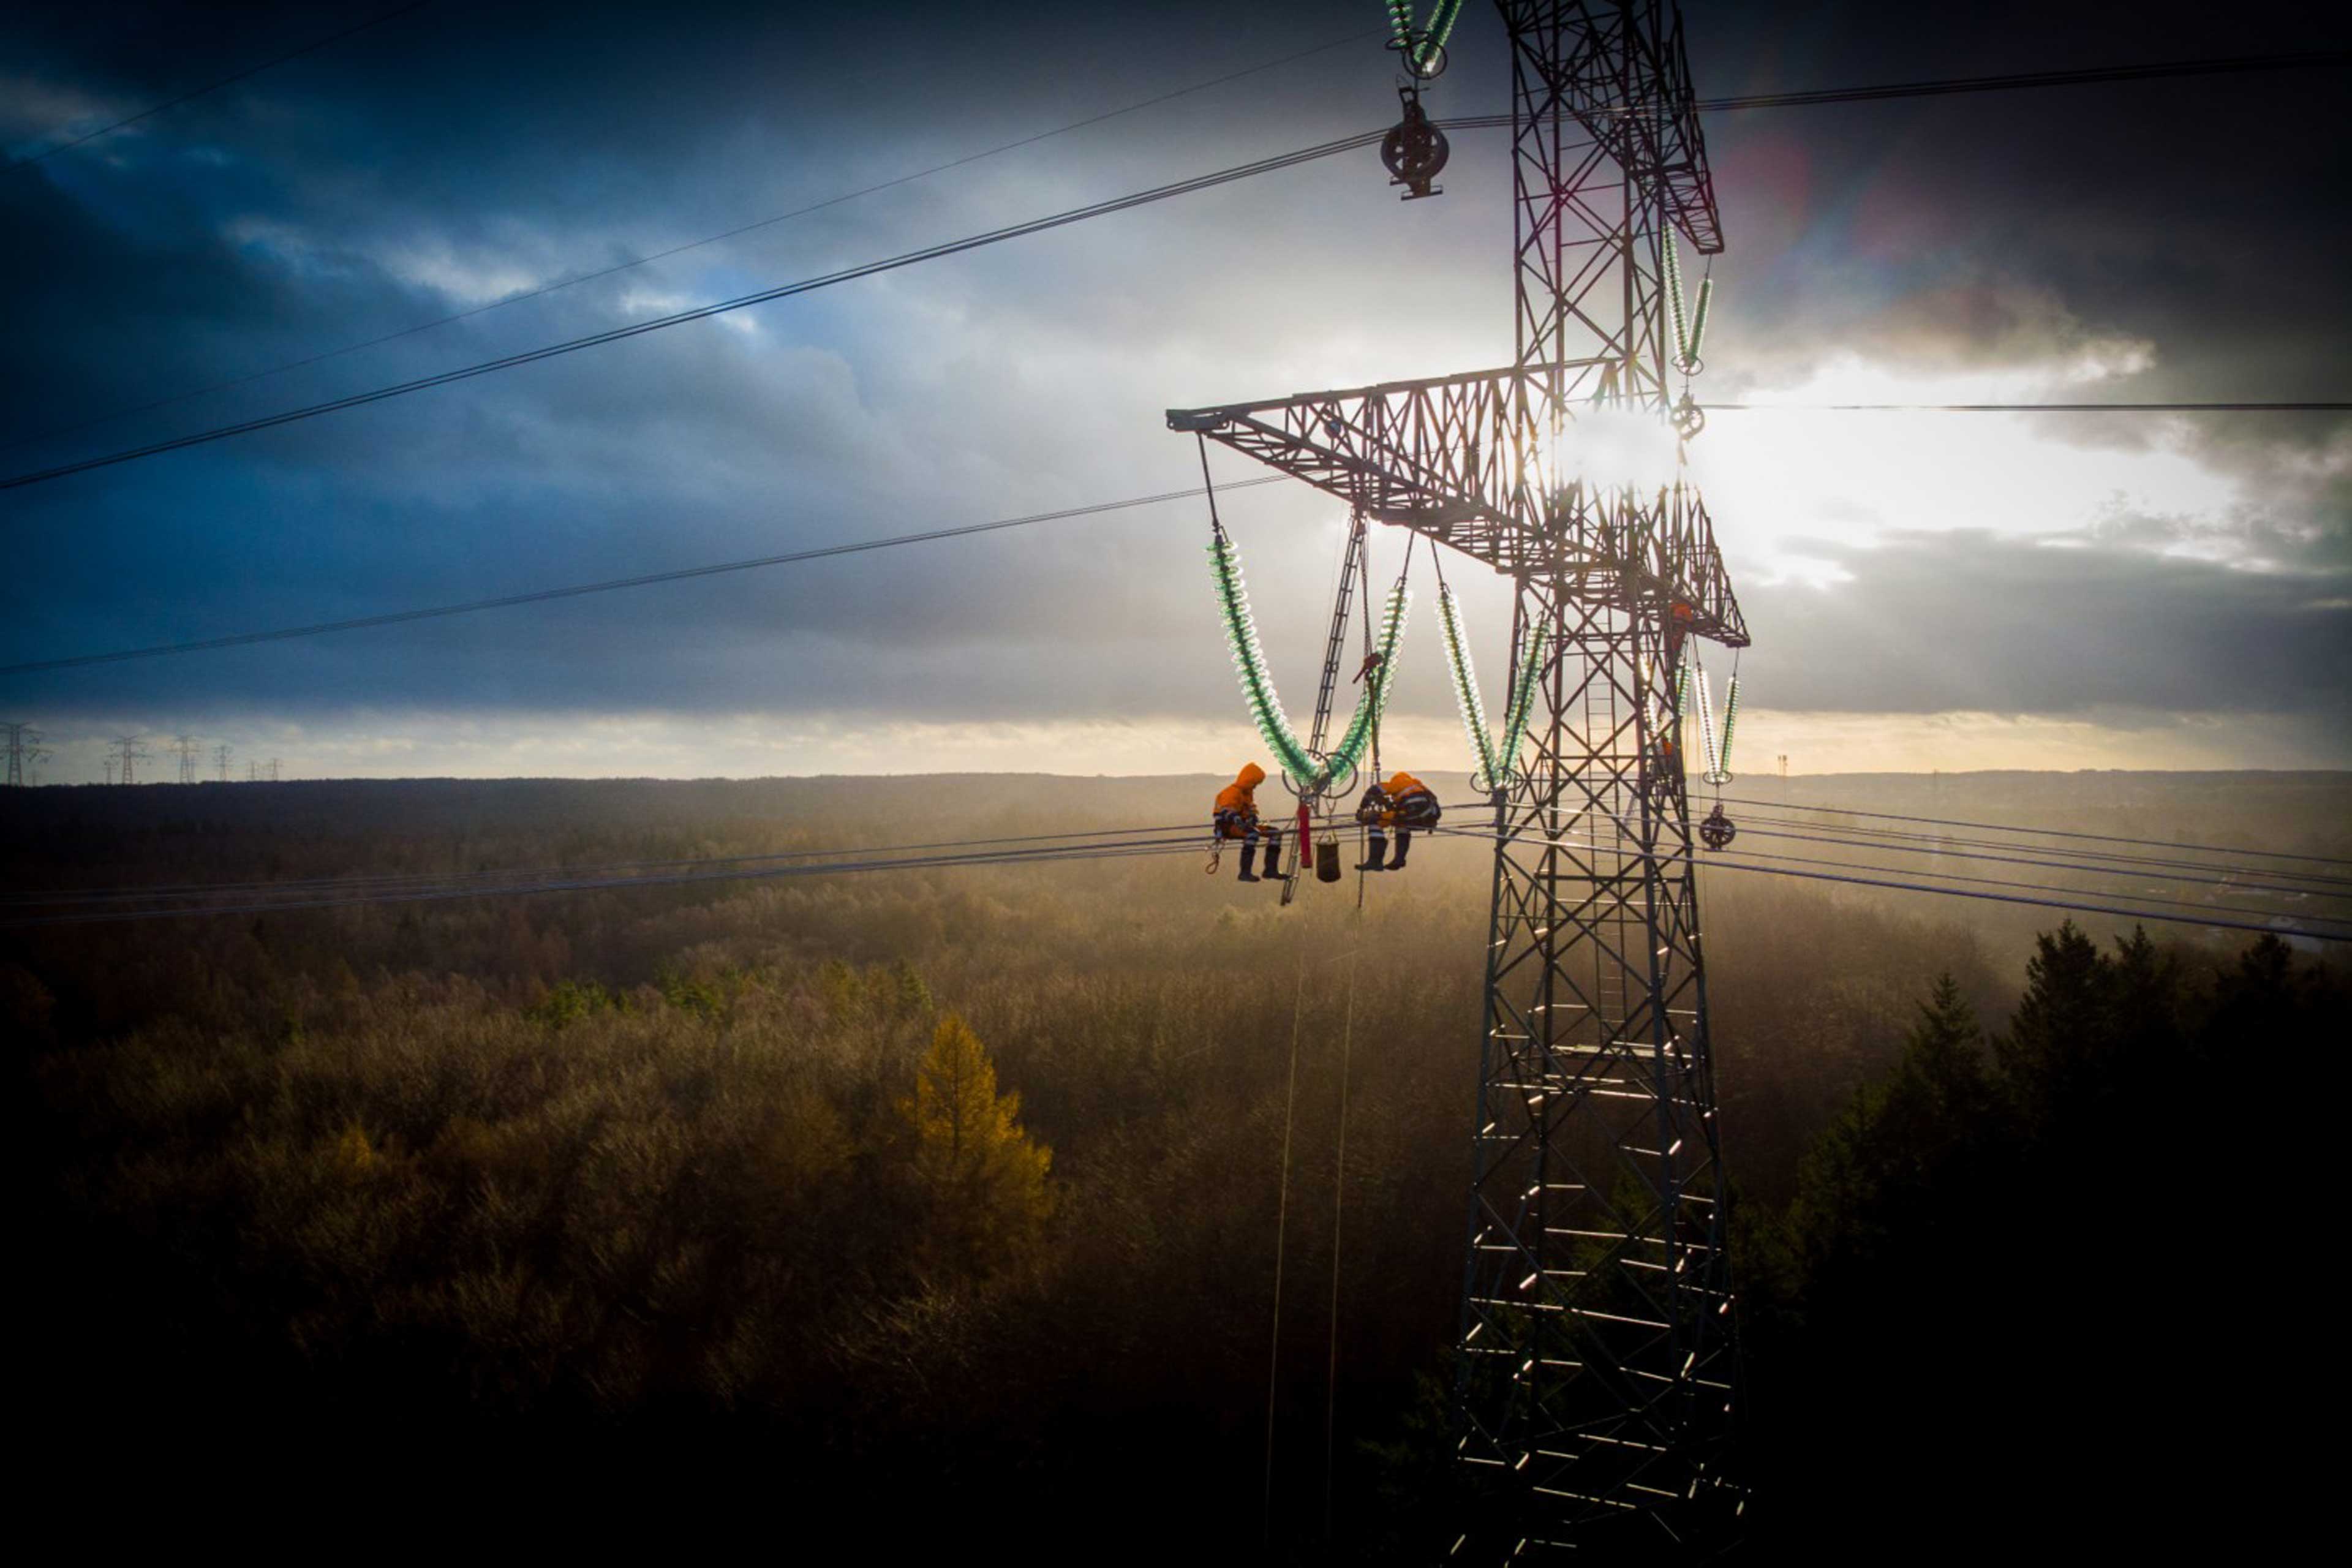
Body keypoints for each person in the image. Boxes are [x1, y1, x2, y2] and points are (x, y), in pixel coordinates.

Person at [1213, 763, 1285, 884]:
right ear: (1249, 781)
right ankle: (1245, 873)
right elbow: (1227, 812)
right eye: (1255, 783)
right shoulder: (1232, 793)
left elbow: (1251, 809)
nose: (1256, 787)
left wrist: (1252, 817)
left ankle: (1271, 870)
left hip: (1245, 825)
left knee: (1275, 833)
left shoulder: (1247, 793)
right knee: (1253, 835)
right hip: (1228, 827)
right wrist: (1241, 822)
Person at [1354, 769, 1440, 871]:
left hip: (1411, 814)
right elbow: (1403, 809)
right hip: (1428, 817)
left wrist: (1362, 808)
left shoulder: (1397, 783)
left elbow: (1374, 789)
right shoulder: (1419, 786)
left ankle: (1375, 861)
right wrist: (1387, 804)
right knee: (1401, 825)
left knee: (1375, 821)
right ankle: (1399, 859)